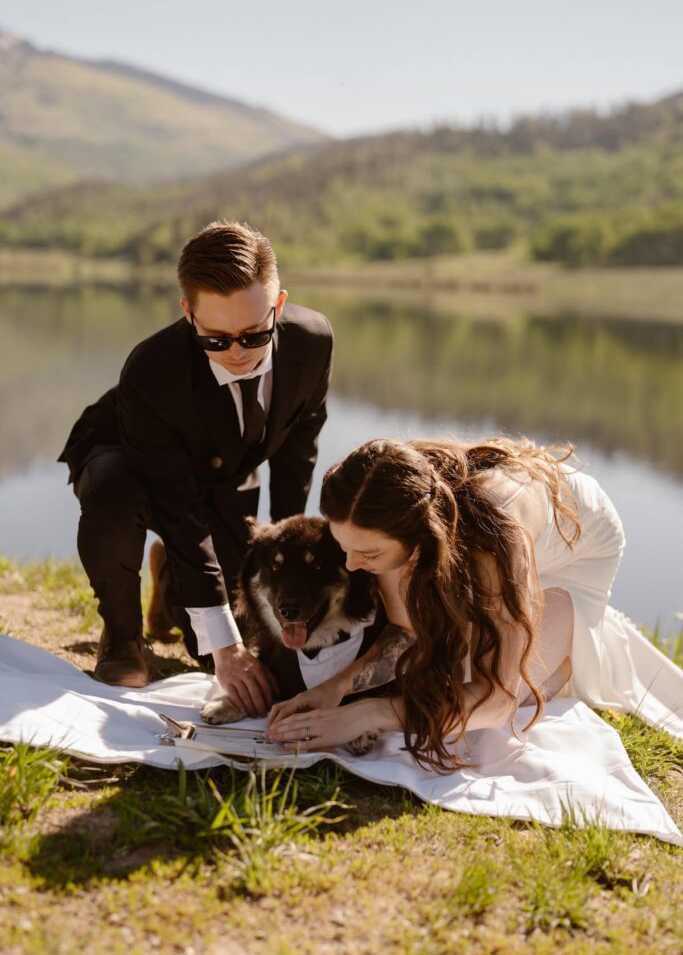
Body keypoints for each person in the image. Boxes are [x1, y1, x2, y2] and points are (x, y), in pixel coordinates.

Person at [266, 436, 683, 765]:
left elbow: (495, 702)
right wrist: (335, 690)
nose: (354, 566)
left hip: (580, 547)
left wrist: (369, 713)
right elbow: (406, 633)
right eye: (345, 548)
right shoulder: (378, 496)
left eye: (370, 554)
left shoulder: (493, 542)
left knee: (495, 682)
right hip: (479, 531)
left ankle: (572, 643)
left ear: (419, 537)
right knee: (445, 658)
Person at [58, 220, 333, 706]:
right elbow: (178, 505)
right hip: (129, 456)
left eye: (253, 334)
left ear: (279, 305)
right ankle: (122, 637)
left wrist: (285, 550)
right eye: (216, 339)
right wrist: (225, 644)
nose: (236, 353)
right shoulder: (151, 367)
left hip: (225, 465)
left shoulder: (312, 342)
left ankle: (168, 583)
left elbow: (297, 449)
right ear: (188, 313)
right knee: (115, 497)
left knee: (217, 651)